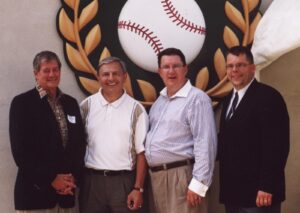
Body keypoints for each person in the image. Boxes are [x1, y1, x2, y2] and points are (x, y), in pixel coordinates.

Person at [9, 51, 86, 213]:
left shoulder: (71, 103)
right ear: (36, 74)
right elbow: (20, 152)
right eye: (46, 70)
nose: (52, 74)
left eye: (55, 69)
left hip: (66, 196)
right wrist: (50, 179)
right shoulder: (22, 103)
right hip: (35, 196)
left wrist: (73, 178)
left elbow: (79, 144)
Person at [145, 48, 217, 213]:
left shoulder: (197, 99)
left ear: (185, 69)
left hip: (182, 178)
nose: (171, 71)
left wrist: (198, 185)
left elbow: (205, 142)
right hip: (157, 179)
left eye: (176, 66)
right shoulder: (159, 102)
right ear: (159, 71)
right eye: (166, 67)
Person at [218, 46, 290, 213]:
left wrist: (267, 186)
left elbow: (277, 147)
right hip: (234, 194)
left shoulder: (269, 97)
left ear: (252, 68)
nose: (234, 70)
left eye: (240, 65)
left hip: (259, 196)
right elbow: (227, 141)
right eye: (230, 66)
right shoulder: (229, 99)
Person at [79, 56, 149, 213]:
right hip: (92, 182)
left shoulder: (136, 110)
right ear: (98, 77)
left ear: (124, 77)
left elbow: (142, 153)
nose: (110, 78)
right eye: (105, 74)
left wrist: (138, 188)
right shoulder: (86, 107)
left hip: (124, 183)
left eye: (115, 74)